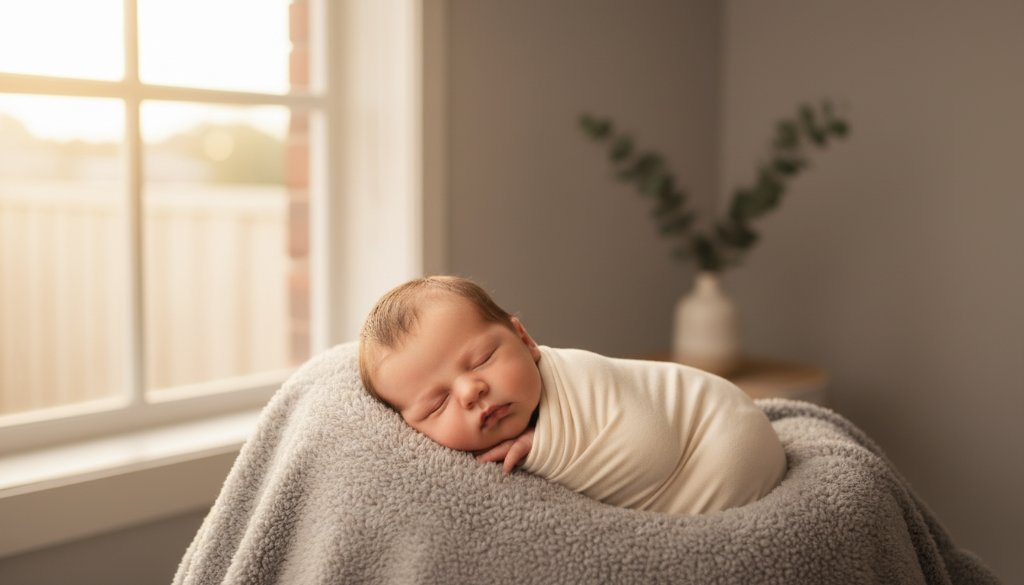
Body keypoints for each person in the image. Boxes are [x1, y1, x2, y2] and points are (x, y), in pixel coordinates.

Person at [358, 275, 787, 515]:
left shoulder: (579, 377)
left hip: (718, 439)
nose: (471, 391)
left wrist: (542, 447)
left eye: (482, 359)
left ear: (524, 339)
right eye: (437, 404)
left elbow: (649, 447)